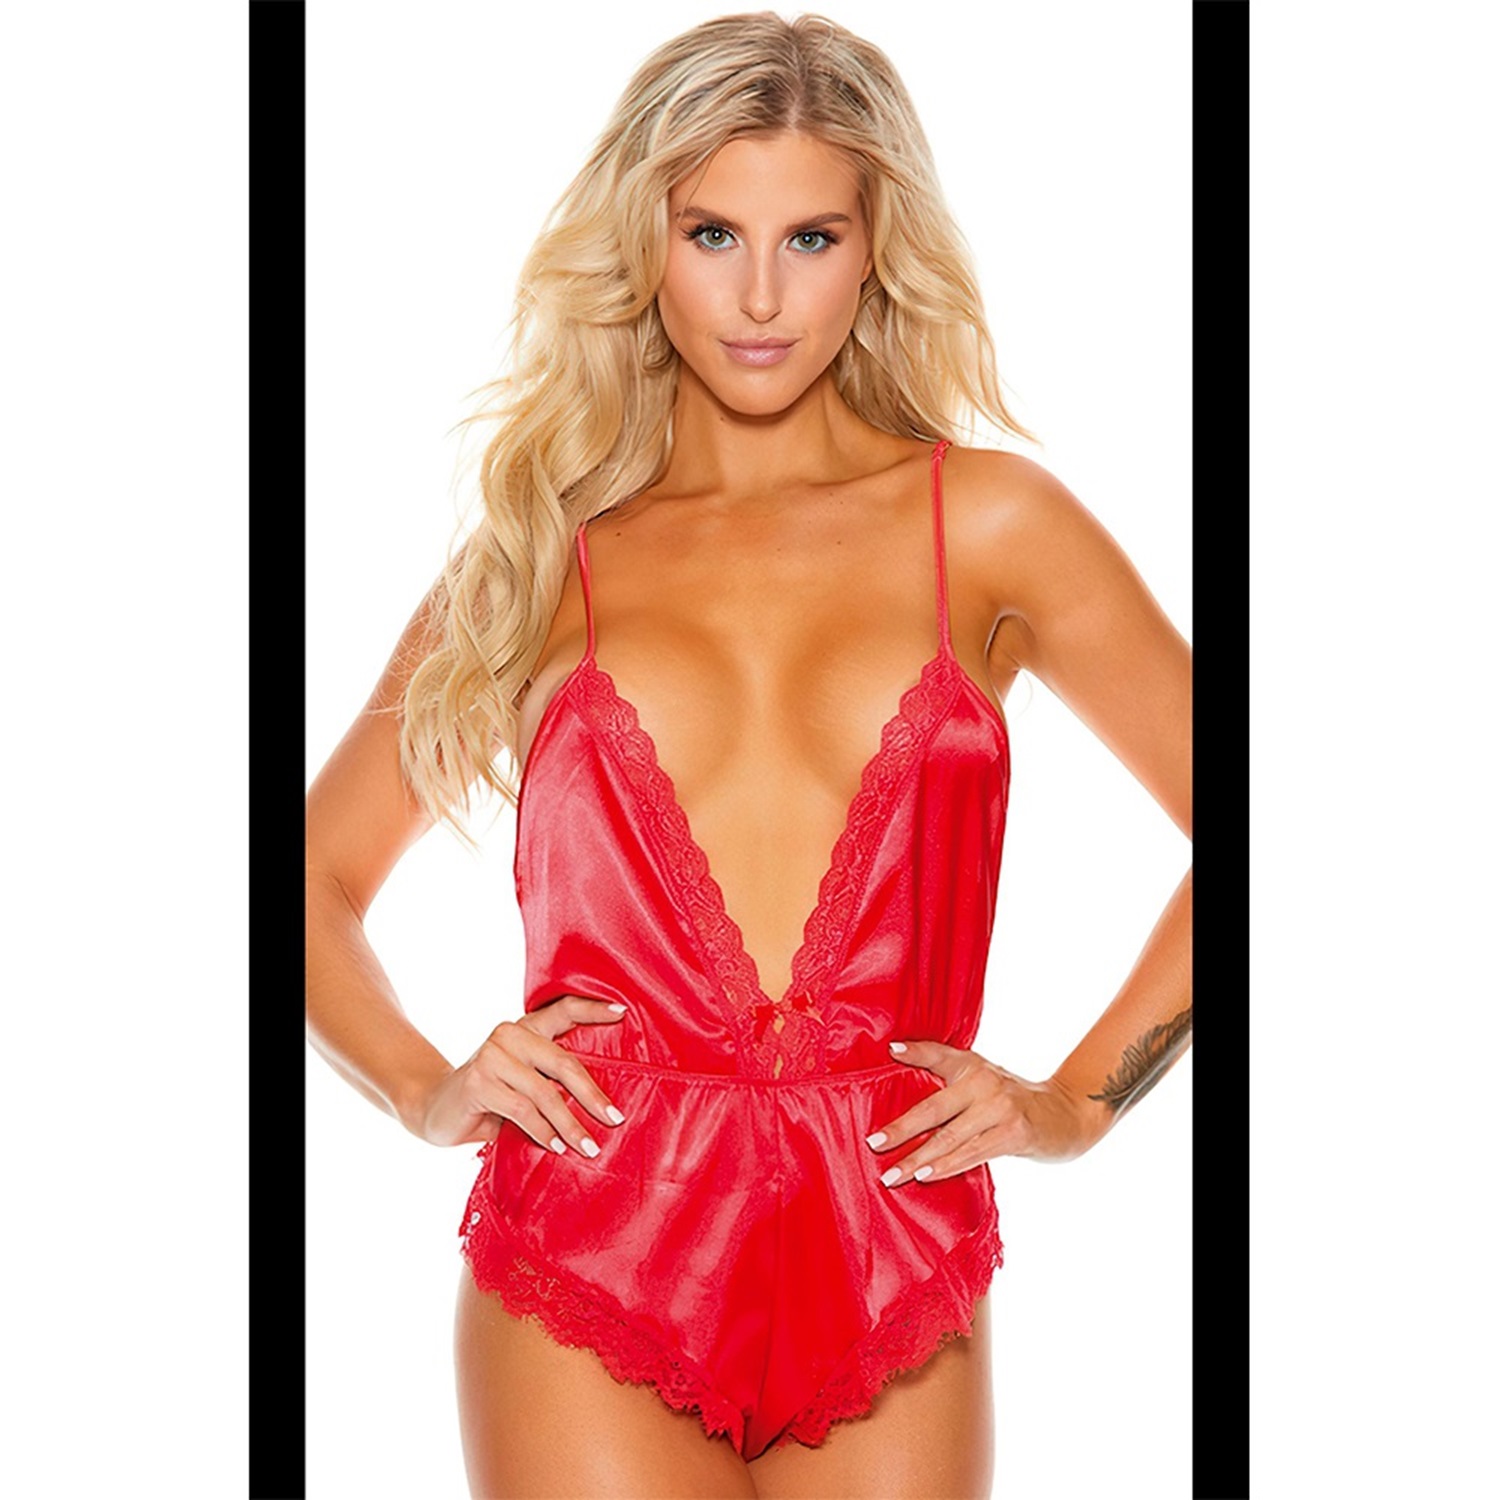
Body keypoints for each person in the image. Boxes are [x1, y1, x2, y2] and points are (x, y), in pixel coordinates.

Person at [305, 11, 1192, 1498]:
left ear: (877, 246)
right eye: (712, 233)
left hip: (891, 1218)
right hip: (594, 1226)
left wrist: (1075, 1106)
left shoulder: (991, 526)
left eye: (812, 238)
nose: (762, 295)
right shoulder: (545, 553)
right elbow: (310, 878)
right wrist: (424, 1087)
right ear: (643, 244)